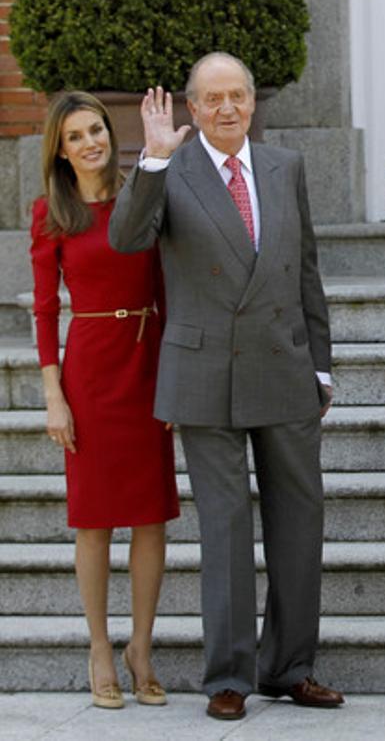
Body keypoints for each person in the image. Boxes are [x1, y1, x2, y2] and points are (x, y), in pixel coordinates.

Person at [109, 52, 343, 721]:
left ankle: (291, 667)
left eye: (237, 95)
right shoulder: (168, 169)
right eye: (211, 99)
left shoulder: (283, 166)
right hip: (206, 371)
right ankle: (228, 677)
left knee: (300, 521)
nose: (227, 108)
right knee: (226, 528)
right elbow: (128, 239)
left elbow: (306, 274)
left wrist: (320, 363)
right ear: (190, 107)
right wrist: (150, 160)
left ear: (252, 101)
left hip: (284, 366)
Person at [30, 91, 179, 710]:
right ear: (61, 152)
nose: (90, 142)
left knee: (150, 516)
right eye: (76, 137)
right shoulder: (50, 213)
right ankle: (99, 646)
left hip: (147, 360)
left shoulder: (140, 198)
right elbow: (43, 309)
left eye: (95, 129)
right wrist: (53, 396)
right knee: (93, 521)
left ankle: (140, 648)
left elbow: (170, 288)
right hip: (89, 369)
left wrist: (175, 379)